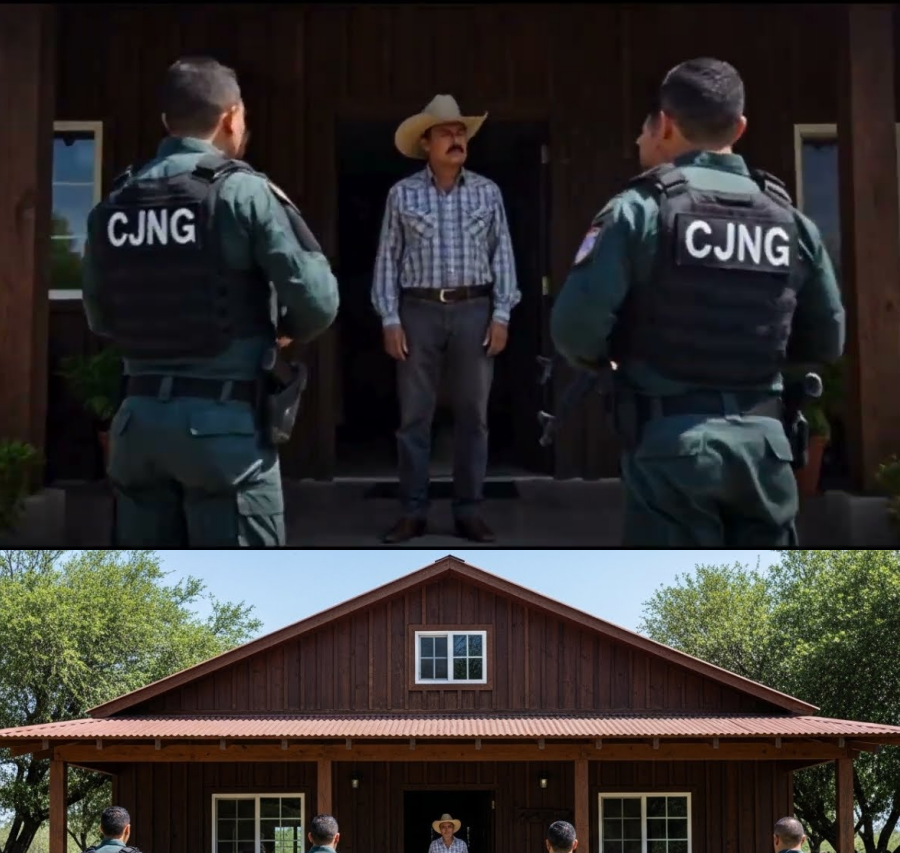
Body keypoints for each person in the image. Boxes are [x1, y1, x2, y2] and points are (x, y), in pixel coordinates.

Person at [550, 57, 845, 548]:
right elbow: (827, 339)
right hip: (766, 448)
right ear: (741, 126)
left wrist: (615, 359)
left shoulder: (638, 210)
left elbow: (575, 330)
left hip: (672, 445)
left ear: (664, 124)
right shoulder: (792, 221)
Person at [82, 56, 339, 549]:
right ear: (231, 117)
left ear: (166, 122)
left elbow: (101, 316)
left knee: (146, 595)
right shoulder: (243, 193)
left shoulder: (113, 204)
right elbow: (318, 301)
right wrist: (286, 331)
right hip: (225, 433)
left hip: (136, 428)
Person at [372, 94, 521, 544]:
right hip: (417, 310)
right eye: (446, 133)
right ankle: (413, 512)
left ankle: (468, 510)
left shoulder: (487, 191)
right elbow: (387, 258)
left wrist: (501, 314)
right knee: (414, 416)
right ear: (426, 143)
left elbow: (504, 255)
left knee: (473, 416)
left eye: (460, 132)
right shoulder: (402, 194)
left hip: (475, 308)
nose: (456, 139)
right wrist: (389, 318)